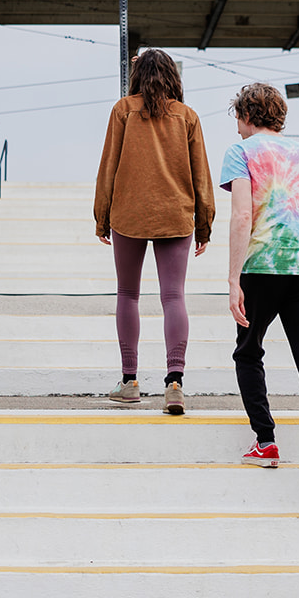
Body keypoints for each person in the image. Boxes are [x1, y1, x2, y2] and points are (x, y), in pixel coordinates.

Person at [221, 83, 299, 514]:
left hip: (261, 266)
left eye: (237, 117)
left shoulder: (242, 152)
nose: (237, 127)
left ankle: (267, 441)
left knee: (248, 352)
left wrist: (233, 279)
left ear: (246, 115)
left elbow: (241, 216)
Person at [93, 49, 215, 414]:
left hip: (129, 213)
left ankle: (130, 382)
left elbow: (108, 166)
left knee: (128, 294)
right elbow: (201, 176)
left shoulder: (123, 110)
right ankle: (174, 383)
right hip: (175, 216)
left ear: (137, 76)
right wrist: (204, 224)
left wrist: (101, 217)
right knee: (173, 297)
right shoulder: (187, 116)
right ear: (174, 77)